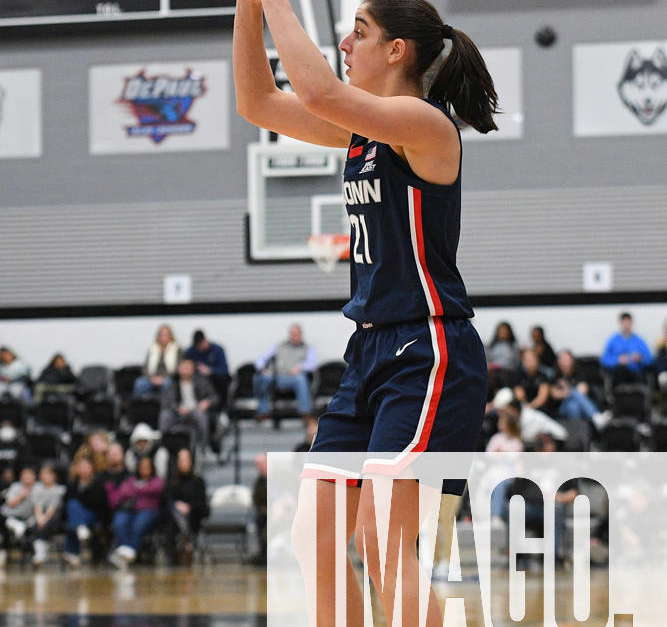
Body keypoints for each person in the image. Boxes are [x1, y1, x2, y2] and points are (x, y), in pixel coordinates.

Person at [234, 0, 496, 623]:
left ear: (397, 50)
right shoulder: (363, 130)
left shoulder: (423, 124)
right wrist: (248, 12)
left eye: (359, 33)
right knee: (314, 540)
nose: (347, 46)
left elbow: (317, 90)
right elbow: (258, 104)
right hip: (368, 354)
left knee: (383, 545)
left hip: (427, 352)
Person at [108, 456, 165, 569]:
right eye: (142, 466)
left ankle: (128, 552)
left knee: (139, 524)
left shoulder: (157, 480)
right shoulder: (130, 480)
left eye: (147, 467)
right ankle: (124, 551)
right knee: (119, 521)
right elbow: (123, 492)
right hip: (130, 510)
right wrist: (141, 490)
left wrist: (136, 490)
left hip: (149, 510)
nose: (144, 469)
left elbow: (156, 488)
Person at [253, 324, 317, 422]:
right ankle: (263, 411)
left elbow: (312, 365)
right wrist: (262, 368)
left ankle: (305, 413)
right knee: (260, 378)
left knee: (301, 379)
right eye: (292, 334)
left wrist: (300, 367)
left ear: (301, 335)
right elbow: (262, 358)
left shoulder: (308, 348)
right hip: (275, 376)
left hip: (293, 378)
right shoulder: (279, 346)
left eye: (296, 334)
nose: (294, 336)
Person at [159, 359, 218, 449]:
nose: (185, 369)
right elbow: (167, 401)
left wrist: (207, 402)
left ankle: (203, 446)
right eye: (183, 367)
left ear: (193, 369)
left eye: (188, 367)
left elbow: (214, 397)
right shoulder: (172, 382)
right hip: (178, 412)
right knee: (164, 415)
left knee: (201, 416)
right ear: (178, 369)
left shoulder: (201, 381)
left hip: (196, 410)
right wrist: (177, 408)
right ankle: (164, 445)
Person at [164, 448, 209, 565]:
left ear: (191, 461)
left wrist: (189, 507)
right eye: (181, 460)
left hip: (194, 516)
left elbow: (202, 503)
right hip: (174, 518)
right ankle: (184, 544)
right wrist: (176, 505)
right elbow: (167, 500)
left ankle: (185, 542)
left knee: (185, 517)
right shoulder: (172, 481)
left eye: (186, 460)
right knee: (172, 514)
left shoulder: (198, 481)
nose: (183, 463)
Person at [63, 457, 107, 567]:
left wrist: (81, 499)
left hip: (93, 515)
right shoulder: (72, 484)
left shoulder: (98, 482)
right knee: (73, 509)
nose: (83, 469)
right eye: (80, 467)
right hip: (76, 515)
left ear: (92, 468)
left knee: (74, 513)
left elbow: (98, 502)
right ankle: (80, 527)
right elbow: (66, 501)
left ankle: (73, 554)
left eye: (86, 466)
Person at [600, 312, 652, 386]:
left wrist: (640, 358)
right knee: (619, 370)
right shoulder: (613, 340)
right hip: (618, 375)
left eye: (628, 323)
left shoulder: (639, 341)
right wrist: (618, 360)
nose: (626, 325)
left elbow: (650, 359)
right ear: (620, 323)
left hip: (635, 374)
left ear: (632, 323)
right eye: (624, 323)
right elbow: (604, 359)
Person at [0, 466, 37, 566]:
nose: (26, 477)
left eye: (29, 475)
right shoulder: (15, 486)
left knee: (29, 531)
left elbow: (38, 507)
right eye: (24, 475)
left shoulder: (37, 488)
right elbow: (10, 503)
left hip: (27, 519)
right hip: (9, 515)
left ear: (34, 477)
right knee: (4, 524)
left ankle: (34, 555)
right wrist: (21, 496)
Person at [31, 462, 65, 566]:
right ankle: (40, 552)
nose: (44, 476)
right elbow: (37, 505)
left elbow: (53, 507)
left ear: (54, 475)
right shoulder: (37, 487)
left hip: (54, 517)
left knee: (48, 522)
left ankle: (40, 553)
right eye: (42, 474)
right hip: (39, 516)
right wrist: (39, 518)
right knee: (36, 524)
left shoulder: (60, 489)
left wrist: (44, 520)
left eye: (47, 473)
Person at [133, 324, 182, 397]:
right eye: (161, 335)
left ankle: (165, 406)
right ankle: (144, 405)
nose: (163, 337)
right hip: (151, 377)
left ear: (170, 336)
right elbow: (145, 368)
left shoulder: (176, 350)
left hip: (168, 377)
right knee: (139, 383)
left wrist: (162, 378)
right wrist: (151, 378)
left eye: (166, 335)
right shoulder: (152, 349)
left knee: (168, 384)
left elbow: (178, 368)